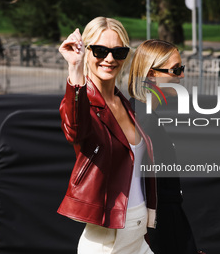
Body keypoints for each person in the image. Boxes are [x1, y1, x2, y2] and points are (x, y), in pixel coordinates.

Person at [58, 17, 156, 254]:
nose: (109, 59)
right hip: (107, 242)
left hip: (138, 234)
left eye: (118, 52)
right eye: (100, 51)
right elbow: (75, 129)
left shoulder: (125, 104)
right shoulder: (81, 103)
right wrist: (75, 68)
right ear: (86, 51)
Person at [128, 39, 203, 254]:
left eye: (182, 68)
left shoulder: (143, 114)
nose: (182, 75)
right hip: (159, 231)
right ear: (152, 74)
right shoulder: (143, 121)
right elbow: (148, 192)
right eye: (176, 70)